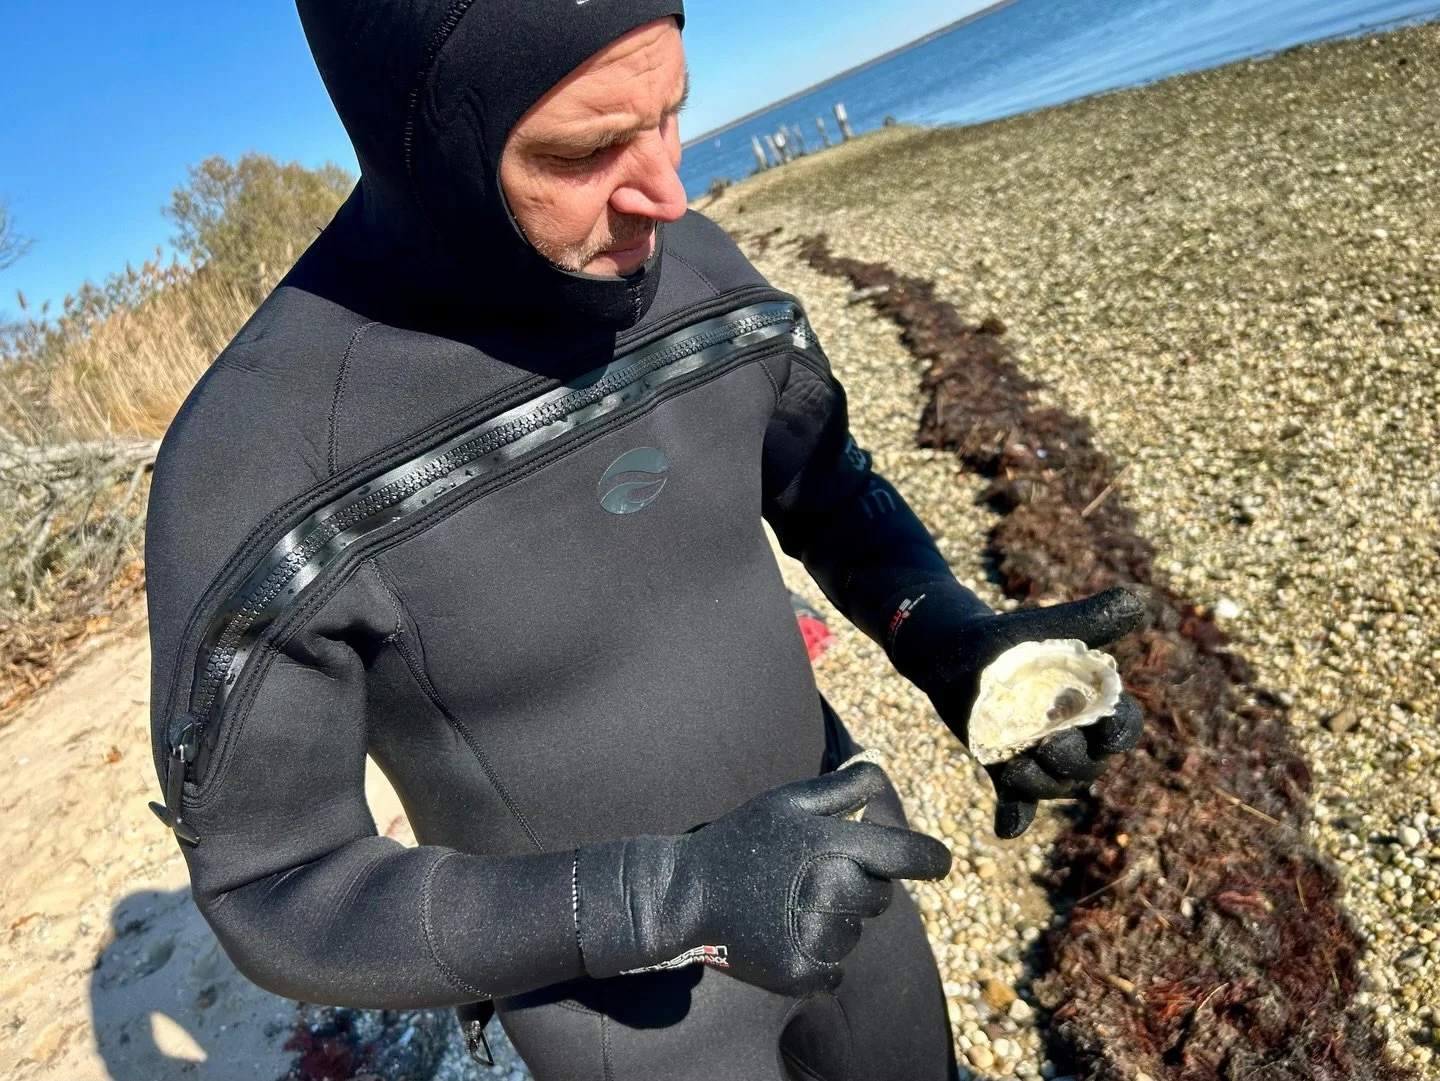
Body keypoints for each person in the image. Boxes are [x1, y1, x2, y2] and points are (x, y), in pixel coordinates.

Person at [144, 3, 1146, 1078]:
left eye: (672, 114)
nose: (667, 191)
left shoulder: (700, 270)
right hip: (621, 1022)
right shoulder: (258, 458)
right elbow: (279, 889)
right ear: (421, 144)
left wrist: (952, 640)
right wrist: (671, 899)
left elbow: (827, 492)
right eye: (585, 153)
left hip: (849, 874)